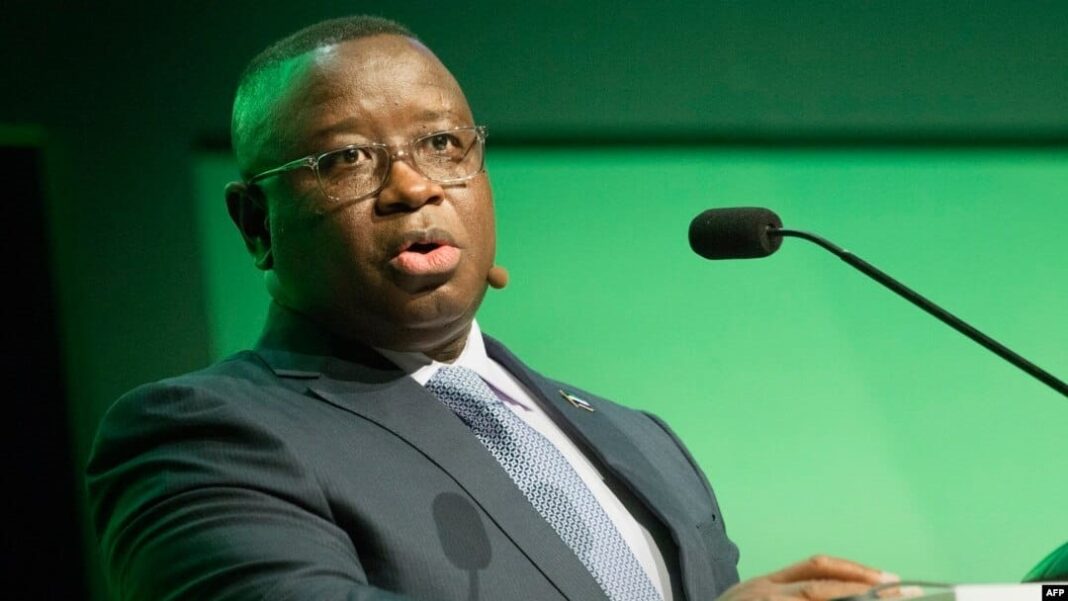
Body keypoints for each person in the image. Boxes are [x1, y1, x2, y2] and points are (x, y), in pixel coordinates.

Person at [86, 15, 896, 601]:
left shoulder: (640, 440)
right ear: (256, 224)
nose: (413, 186)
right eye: (349, 157)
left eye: (442, 144)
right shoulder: (200, 439)